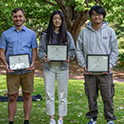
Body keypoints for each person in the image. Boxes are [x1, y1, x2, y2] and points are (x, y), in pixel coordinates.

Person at [76, 6, 118, 124]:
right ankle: (93, 118)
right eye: (94, 14)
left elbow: (114, 50)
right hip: (89, 72)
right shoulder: (84, 32)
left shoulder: (110, 31)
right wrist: (83, 65)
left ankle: (110, 119)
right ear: (90, 16)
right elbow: (79, 50)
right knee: (91, 96)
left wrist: (110, 65)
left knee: (108, 97)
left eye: (99, 14)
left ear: (103, 16)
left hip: (106, 72)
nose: (97, 16)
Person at [0, 7, 37, 124]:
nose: (18, 19)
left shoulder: (31, 34)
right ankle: (11, 121)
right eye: (15, 16)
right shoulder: (5, 34)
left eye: (20, 16)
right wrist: (5, 64)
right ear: (12, 18)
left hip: (27, 70)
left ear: (24, 17)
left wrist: (32, 63)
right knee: (12, 97)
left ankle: (26, 121)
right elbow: (1, 51)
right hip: (12, 71)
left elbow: (34, 51)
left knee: (27, 95)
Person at [38, 10, 75, 124]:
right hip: (49, 68)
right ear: (51, 20)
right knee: (49, 93)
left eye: (59, 18)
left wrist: (69, 57)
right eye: (55, 18)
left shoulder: (67, 35)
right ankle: (52, 118)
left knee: (62, 93)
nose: (57, 20)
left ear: (62, 20)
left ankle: (60, 118)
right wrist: (43, 57)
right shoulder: (45, 35)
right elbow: (41, 50)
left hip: (62, 67)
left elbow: (72, 50)